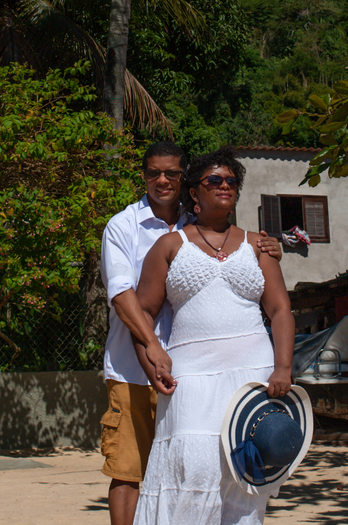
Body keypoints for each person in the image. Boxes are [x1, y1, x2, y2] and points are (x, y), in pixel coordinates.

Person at [99, 143, 282, 525]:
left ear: (184, 181)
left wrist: (271, 245)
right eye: (153, 173)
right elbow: (122, 296)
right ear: (144, 176)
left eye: (170, 173)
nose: (161, 180)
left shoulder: (195, 221)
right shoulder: (123, 225)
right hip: (135, 366)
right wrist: (151, 346)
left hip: (190, 369)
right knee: (131, 469)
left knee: (208, 463)